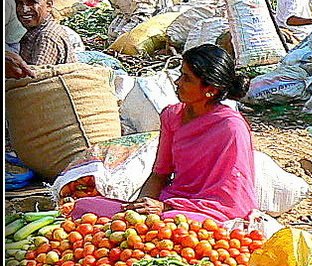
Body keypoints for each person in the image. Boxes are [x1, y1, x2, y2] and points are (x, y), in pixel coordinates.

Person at [68, 45, 257, 226]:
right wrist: (139, 208)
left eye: (187, 78)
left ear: (210, 90)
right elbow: (160, 174)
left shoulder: (231, 128)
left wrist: (166, 207)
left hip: (208, 212)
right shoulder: (172, 115)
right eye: (180, 75)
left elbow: (232, 197)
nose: (177, 82)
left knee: (173, 223)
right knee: (85, 206)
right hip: (172, 203)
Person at [5, 0, 83, 78]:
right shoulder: (35, 31)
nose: (23, 10)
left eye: (31, 3)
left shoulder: (47, 37)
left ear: (49, 5)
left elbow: (35, 80)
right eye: (19, 3)